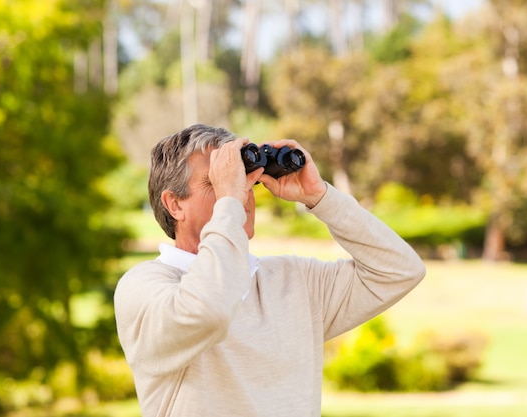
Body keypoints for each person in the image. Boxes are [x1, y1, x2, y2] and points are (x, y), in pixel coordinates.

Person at [114, 124, 426, 417]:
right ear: (175, 205)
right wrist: (229, 202)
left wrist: (321, 197)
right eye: (218, 181)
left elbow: (400, 270)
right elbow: (210, 309)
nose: (243, 194)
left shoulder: (295, 282)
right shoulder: (143, 288)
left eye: (244, 179)